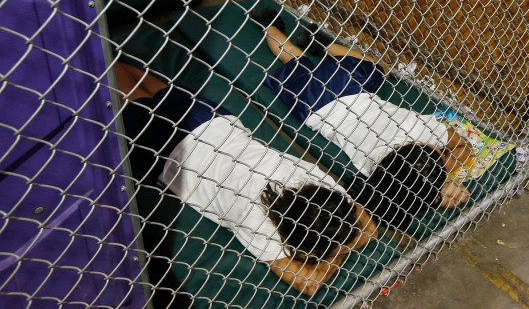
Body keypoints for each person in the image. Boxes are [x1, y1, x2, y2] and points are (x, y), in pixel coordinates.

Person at [114, 62, 377, 296]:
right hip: (172, 151)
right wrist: (337, 252)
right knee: (130, 91)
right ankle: (106, 57)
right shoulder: (258, 223)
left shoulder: (316, 184)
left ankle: (110, 57)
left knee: (145, 85)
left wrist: (338, 246)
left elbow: (367, 229)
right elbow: (308, 283)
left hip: (214, 122)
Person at [252, 8, 473, 231]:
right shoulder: (374, 170)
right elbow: (461, 148)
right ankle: (270, 26)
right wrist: (433, 188)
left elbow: (461, 147)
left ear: (420, 144)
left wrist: (436, 179)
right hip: (315, 108)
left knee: (381, 67)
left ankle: (321, 44)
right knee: (292, 56)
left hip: (347, 86)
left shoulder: (418, 128)